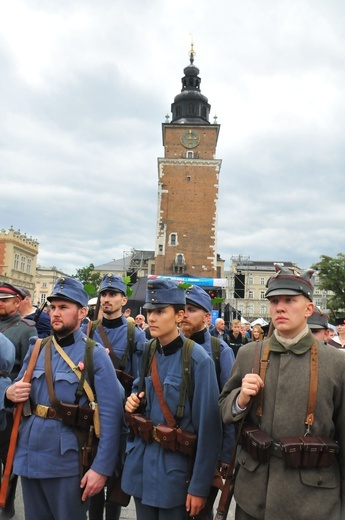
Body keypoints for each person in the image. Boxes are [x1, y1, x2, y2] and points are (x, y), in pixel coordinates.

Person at [219, 264, 345, 520]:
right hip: (254, 496)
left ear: (309, 308)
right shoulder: (249, 354)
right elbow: (223, 407)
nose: (280, 307)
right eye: (274, 301)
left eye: (290, 300)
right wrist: (240, 400)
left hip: (313, 501)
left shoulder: (336, 363)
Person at [5, 277, 124, 520]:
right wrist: (8, 394)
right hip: (29, 456)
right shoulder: (37, 347)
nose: (55, 314)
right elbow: (13, 387)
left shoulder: (94, 354)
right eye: (52, 307)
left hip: (67, 464)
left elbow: (112, 419)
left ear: (82, 312)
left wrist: (101, 469)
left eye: (63, 307)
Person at [122, 278, 222, 519]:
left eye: (159, 311)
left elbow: (209, 430)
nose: (152, 318)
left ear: (178, 316)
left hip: (174, 476)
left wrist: (199, 488)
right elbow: (139, 391)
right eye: (149, 312)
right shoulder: (148, 350)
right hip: (143, 468)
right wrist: (132, 401)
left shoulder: (198, 360)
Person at [86, 273, 145, 520]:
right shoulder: (89, 330)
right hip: (92, 413)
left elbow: (141, 379)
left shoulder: (136, 334)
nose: (107, 299)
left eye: (112, 295)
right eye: (104, 295)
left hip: (121, 416)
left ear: (124, 300)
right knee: (92, 471)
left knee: (116, 478)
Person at [181, 284, 235, 518]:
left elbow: (229, 409)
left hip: (206, 451)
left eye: (191, 309)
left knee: (200, 512)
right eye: (182, 309)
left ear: (206, 317)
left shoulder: (219, 350)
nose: (184, 314)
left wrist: (224, 457)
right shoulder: (170, 347)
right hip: (176, 449)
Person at [0, 282, 37, 519]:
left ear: (17, 301)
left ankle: (6, 503)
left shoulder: (26, 329)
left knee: (8, 459)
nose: (0, 304)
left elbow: (28, 369)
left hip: (9, 406)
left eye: (5, 299)